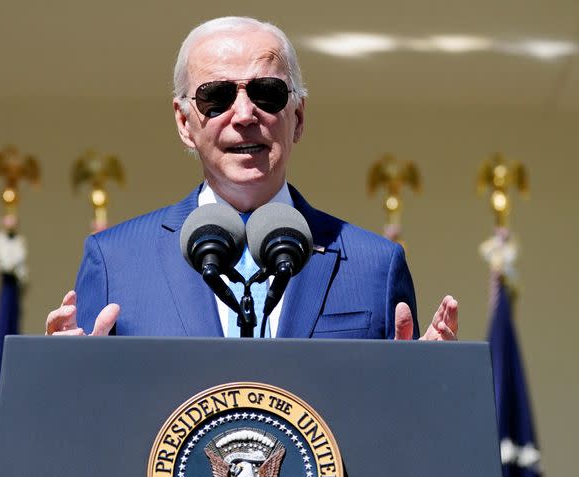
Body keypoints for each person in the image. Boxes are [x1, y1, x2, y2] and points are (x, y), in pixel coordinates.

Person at [46, 16, 457, 341]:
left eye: (267, 93)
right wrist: (64, 378)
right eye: (216, 96)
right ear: (184, 121)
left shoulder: (375, 266)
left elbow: (401, 428)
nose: (244, 115)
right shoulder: (115, 261)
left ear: (297, 117)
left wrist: (422, 386)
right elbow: (79, 426)